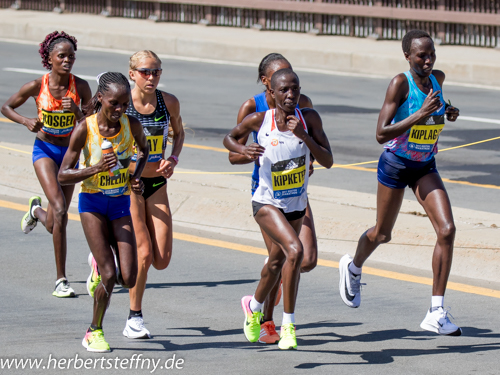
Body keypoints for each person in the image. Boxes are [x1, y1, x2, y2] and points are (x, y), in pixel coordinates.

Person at [338, 30, 461, 336]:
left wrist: (448, 112)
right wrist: (420, 113)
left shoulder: (438, 78)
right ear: (408, 56)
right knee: (382, 234)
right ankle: (352, 267)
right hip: (395, 166)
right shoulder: (400, 83)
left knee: (447, 230)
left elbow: (437, 109)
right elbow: (381, 133)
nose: (429, 59)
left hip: (424, 166)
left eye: (432, 53)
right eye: (422, 55)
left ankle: (436, 311)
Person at [224, 69, 333, 350]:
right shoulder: (260, 119)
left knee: (275, 263)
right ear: (271, 92)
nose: (290, 95)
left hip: (296, 204)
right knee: (296, 251)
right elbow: (229, 139)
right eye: (283, 90)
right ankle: (288, 326)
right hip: (266, 202)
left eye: (294, 89)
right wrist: (244, 150)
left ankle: (254, 304)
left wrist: (304, 137)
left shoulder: (309, 119)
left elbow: (329, 160)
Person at [58, 72, 149, 352]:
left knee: (129, 277)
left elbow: (143, 150)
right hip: (93, 203)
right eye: (114, 103)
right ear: (100, 99)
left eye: (124, 104)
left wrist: (136, 176)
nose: (119, 109)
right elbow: (63, 175)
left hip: (120, 203)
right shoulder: (85, 129)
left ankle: (98, 264)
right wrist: (94, 169)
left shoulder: (130, 124)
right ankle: (94, 330)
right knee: (110, 274)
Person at [1, 31, 92, 297]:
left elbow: (93, 119)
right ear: (49, 58)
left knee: (54, 223)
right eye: (61, 56)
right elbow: (6, 107)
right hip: (44, 149)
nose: (67, 61)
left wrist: (76, 111)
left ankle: (36, 212)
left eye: (71, 56)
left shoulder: (81, 86)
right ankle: (61, 280)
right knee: (62, 210)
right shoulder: (36, 86)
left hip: (69, 155)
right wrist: (26, 121)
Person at [120, 50, 184, 339]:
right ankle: (134, 317)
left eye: (157, 71)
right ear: (132, 73)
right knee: (144, 254)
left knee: (162, 259)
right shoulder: (123, 105)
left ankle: (100, 263)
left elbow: (179, 132)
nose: (151, 77)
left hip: (157, 184)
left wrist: (173, 158)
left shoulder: (167, 101)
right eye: (145, 71)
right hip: (130, 185)